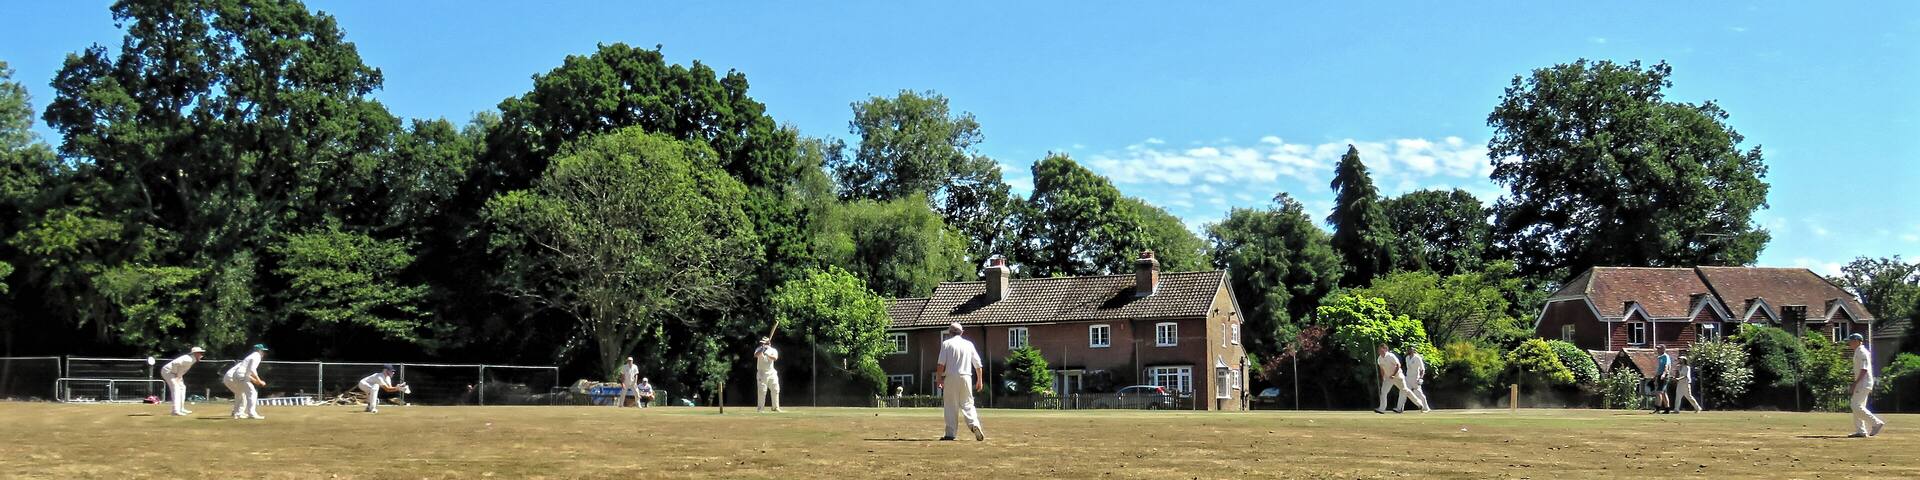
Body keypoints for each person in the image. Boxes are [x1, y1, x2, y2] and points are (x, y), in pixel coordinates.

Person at [935, 323, 985, 441]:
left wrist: (939, 379)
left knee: (951, 405)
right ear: (962, 332)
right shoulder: (969, 344)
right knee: (968, 404)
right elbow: (978, 364)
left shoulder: (946, 344)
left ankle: (950, 433)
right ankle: (974, 424)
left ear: (950, 332)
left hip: (951, 376)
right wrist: (980, 380)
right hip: (966, 376)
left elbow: (940, 364)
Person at [1846, 333, 1886, 437]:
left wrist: (1855, 383)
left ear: (1857, 341)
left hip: (1863, 382)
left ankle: (1876, 423)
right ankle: (1861, 431)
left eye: (1851, 341)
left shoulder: (1862, 352)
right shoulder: (1858, 351)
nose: (1849, 343)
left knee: (1855, 405)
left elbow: (1864, 369)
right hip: (1862, 382)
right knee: (1858, 406)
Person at [1374, 344, 1427, 414]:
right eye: (1379, 350)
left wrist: (1393, 375)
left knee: (1405, 391)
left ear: (1385, 349)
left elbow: (1398, 365)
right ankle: (1381, 409)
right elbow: (1381, 369)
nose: (1379, 351)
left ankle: (1419, 404)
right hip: (1388, 378)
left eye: (1381, 349)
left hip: (1398, 376)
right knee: (1383, 392)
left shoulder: (1391, 356)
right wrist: (1383, 377)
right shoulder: (1379, 359)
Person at [222, 344, 268, 420]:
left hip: (237, 375)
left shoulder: (250, 357)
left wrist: (256, 381)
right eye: (263, 351)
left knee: (241, 393)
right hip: (239, 375)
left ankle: (238, 413)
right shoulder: (257, 356)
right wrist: (259, 380)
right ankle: (251, 414)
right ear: (259, 350)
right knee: (252, 392)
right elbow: (252, 370)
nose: (264, 353)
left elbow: (247, 372)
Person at [159, 347, 205, 416]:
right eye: (200, 353)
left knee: (182, 387)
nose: (201, 355)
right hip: (168, 371)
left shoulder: (192, 359)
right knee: (176, 389)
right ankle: (175, 411)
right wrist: (177, 376)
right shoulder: (188, 359)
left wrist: (178, 376)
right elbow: (175, 363)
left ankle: (181, 408)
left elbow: (182, 368)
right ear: (195, 353)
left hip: (175, 373)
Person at [1397, 346, 1431, 413]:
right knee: (1403, 391)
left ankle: (1426, 408)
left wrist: (1421, 378)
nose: (1409, 351)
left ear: (1413, 350)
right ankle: (1399, 408)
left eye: (1410, 350)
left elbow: (1422, 369)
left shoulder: (1417, 358)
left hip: (1415, 378)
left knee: (1418, 393)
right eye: (1408, 349)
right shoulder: (1407, 358)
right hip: (1408, 378)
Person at [755, 337, 783, 413]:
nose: (762, 344)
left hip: (771, 372)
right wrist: (762, 349)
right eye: (762, 343)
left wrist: (767, 354)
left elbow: (775, 358)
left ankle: (775, 407)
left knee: (776, 389)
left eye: (764, 343)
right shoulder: (759, 349)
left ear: (768, 343)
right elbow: (756, 355)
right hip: (762, 372)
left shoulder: (773, 350)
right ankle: (760, 409)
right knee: (762, 390)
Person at [1653, 345, 1673, 414]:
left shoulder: (1665, 356)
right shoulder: (1660, 357)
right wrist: (1655, 376)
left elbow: (1666, 366)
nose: (1657, 350)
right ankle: (1667, 409)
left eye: (1659, 349)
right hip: (1660, 376)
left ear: (1663, 349)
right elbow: (1659, 368)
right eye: (1657, 349)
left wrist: (1664, 374)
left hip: (1664, 376)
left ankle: (1657, 409)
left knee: (1659, 392)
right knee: (1664, 393)